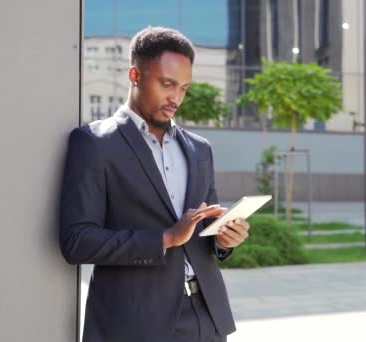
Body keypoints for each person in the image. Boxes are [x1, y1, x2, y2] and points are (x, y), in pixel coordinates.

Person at [59, 26, 250, 342]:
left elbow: (202, 233)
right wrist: (164, 238)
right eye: (167, 84)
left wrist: (224, 239)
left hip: (207, 316)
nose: (176, 98)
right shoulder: (93, 143)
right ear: (134, 75)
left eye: (184, 88)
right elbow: (77, 240)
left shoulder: (199, 148)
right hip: (136, 323)